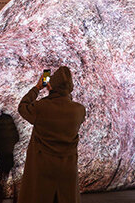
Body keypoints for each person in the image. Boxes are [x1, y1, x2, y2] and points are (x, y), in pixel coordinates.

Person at [18, 66, 86, 203]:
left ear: (51, 85)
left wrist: (38, 87)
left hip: (43, 167)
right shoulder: (79, 110)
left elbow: (22, 107)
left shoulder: (40, 107)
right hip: (68, 168)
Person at [0, 110, 19, 201]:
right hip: (10, 152)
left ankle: (0, 194)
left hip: (1, 153)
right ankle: (15, 195)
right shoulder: (11, 124)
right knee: (12, 174)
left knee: (1, 175)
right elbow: (17, 137)